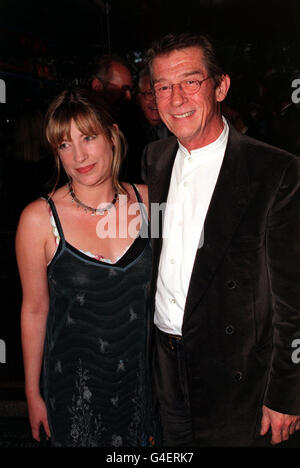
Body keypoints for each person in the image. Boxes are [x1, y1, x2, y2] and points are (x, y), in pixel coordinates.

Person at [142, 32, 300, 447]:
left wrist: (288, 392)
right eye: (163, 86)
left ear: (220, 86)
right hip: (165, 365)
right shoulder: (154, 160)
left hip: (236, 378)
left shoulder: (274, 171)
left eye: (191, 82)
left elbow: (294, 298)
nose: (176, 99)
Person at [15, 88, 159, 447]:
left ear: (112, 135)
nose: (78, 155)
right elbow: (34, 309)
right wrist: (33, 393)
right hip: (74, 393)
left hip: (146, 389)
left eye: (89, 137)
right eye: (64, 144)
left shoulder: (151, 202)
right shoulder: (38, 219)